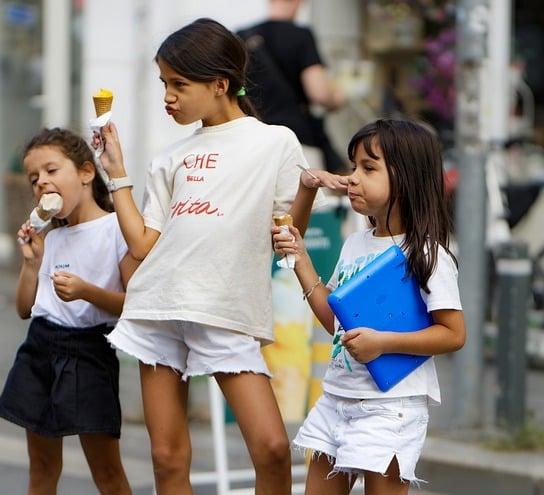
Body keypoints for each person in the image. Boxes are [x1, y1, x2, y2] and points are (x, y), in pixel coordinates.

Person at [92, 18, 347, 495]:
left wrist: (307, 191)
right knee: (167, 458)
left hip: (226, 310)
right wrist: (117, 173)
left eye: (179, 84)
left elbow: (285, 236)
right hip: (159, 304)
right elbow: (144, 246)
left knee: (271, 449)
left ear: (220, 84)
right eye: (164, 83)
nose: (168, 96)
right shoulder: (169, 158)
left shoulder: (275, 142)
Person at [272, 119, 466, 494]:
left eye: (369, 168)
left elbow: (454, 334)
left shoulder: (427, 254)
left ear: (406, 177)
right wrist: (299, 258)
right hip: (336, 398)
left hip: (390, 408)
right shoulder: (355, 244)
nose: (353, 178)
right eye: (353, 166)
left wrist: (383, 343)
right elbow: (335, 323)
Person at [0, 128, 136, 495]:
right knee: (41, 467)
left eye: (52, 171)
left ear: (86, 173)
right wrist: (31, 264)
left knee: (107, 472)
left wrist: (86, 292)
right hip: (39, 349)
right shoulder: (50, 238)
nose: (42, 182)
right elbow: (25, 309)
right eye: (34, 178)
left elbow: (134, 305)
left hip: (90, 353)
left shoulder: (116, 229)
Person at [238, 0, 346, 173]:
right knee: (307, 197)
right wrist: (337, 99)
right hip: (296, 139)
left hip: (252, 140)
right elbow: (318, 93)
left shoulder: (242, 36)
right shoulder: (301, 35)